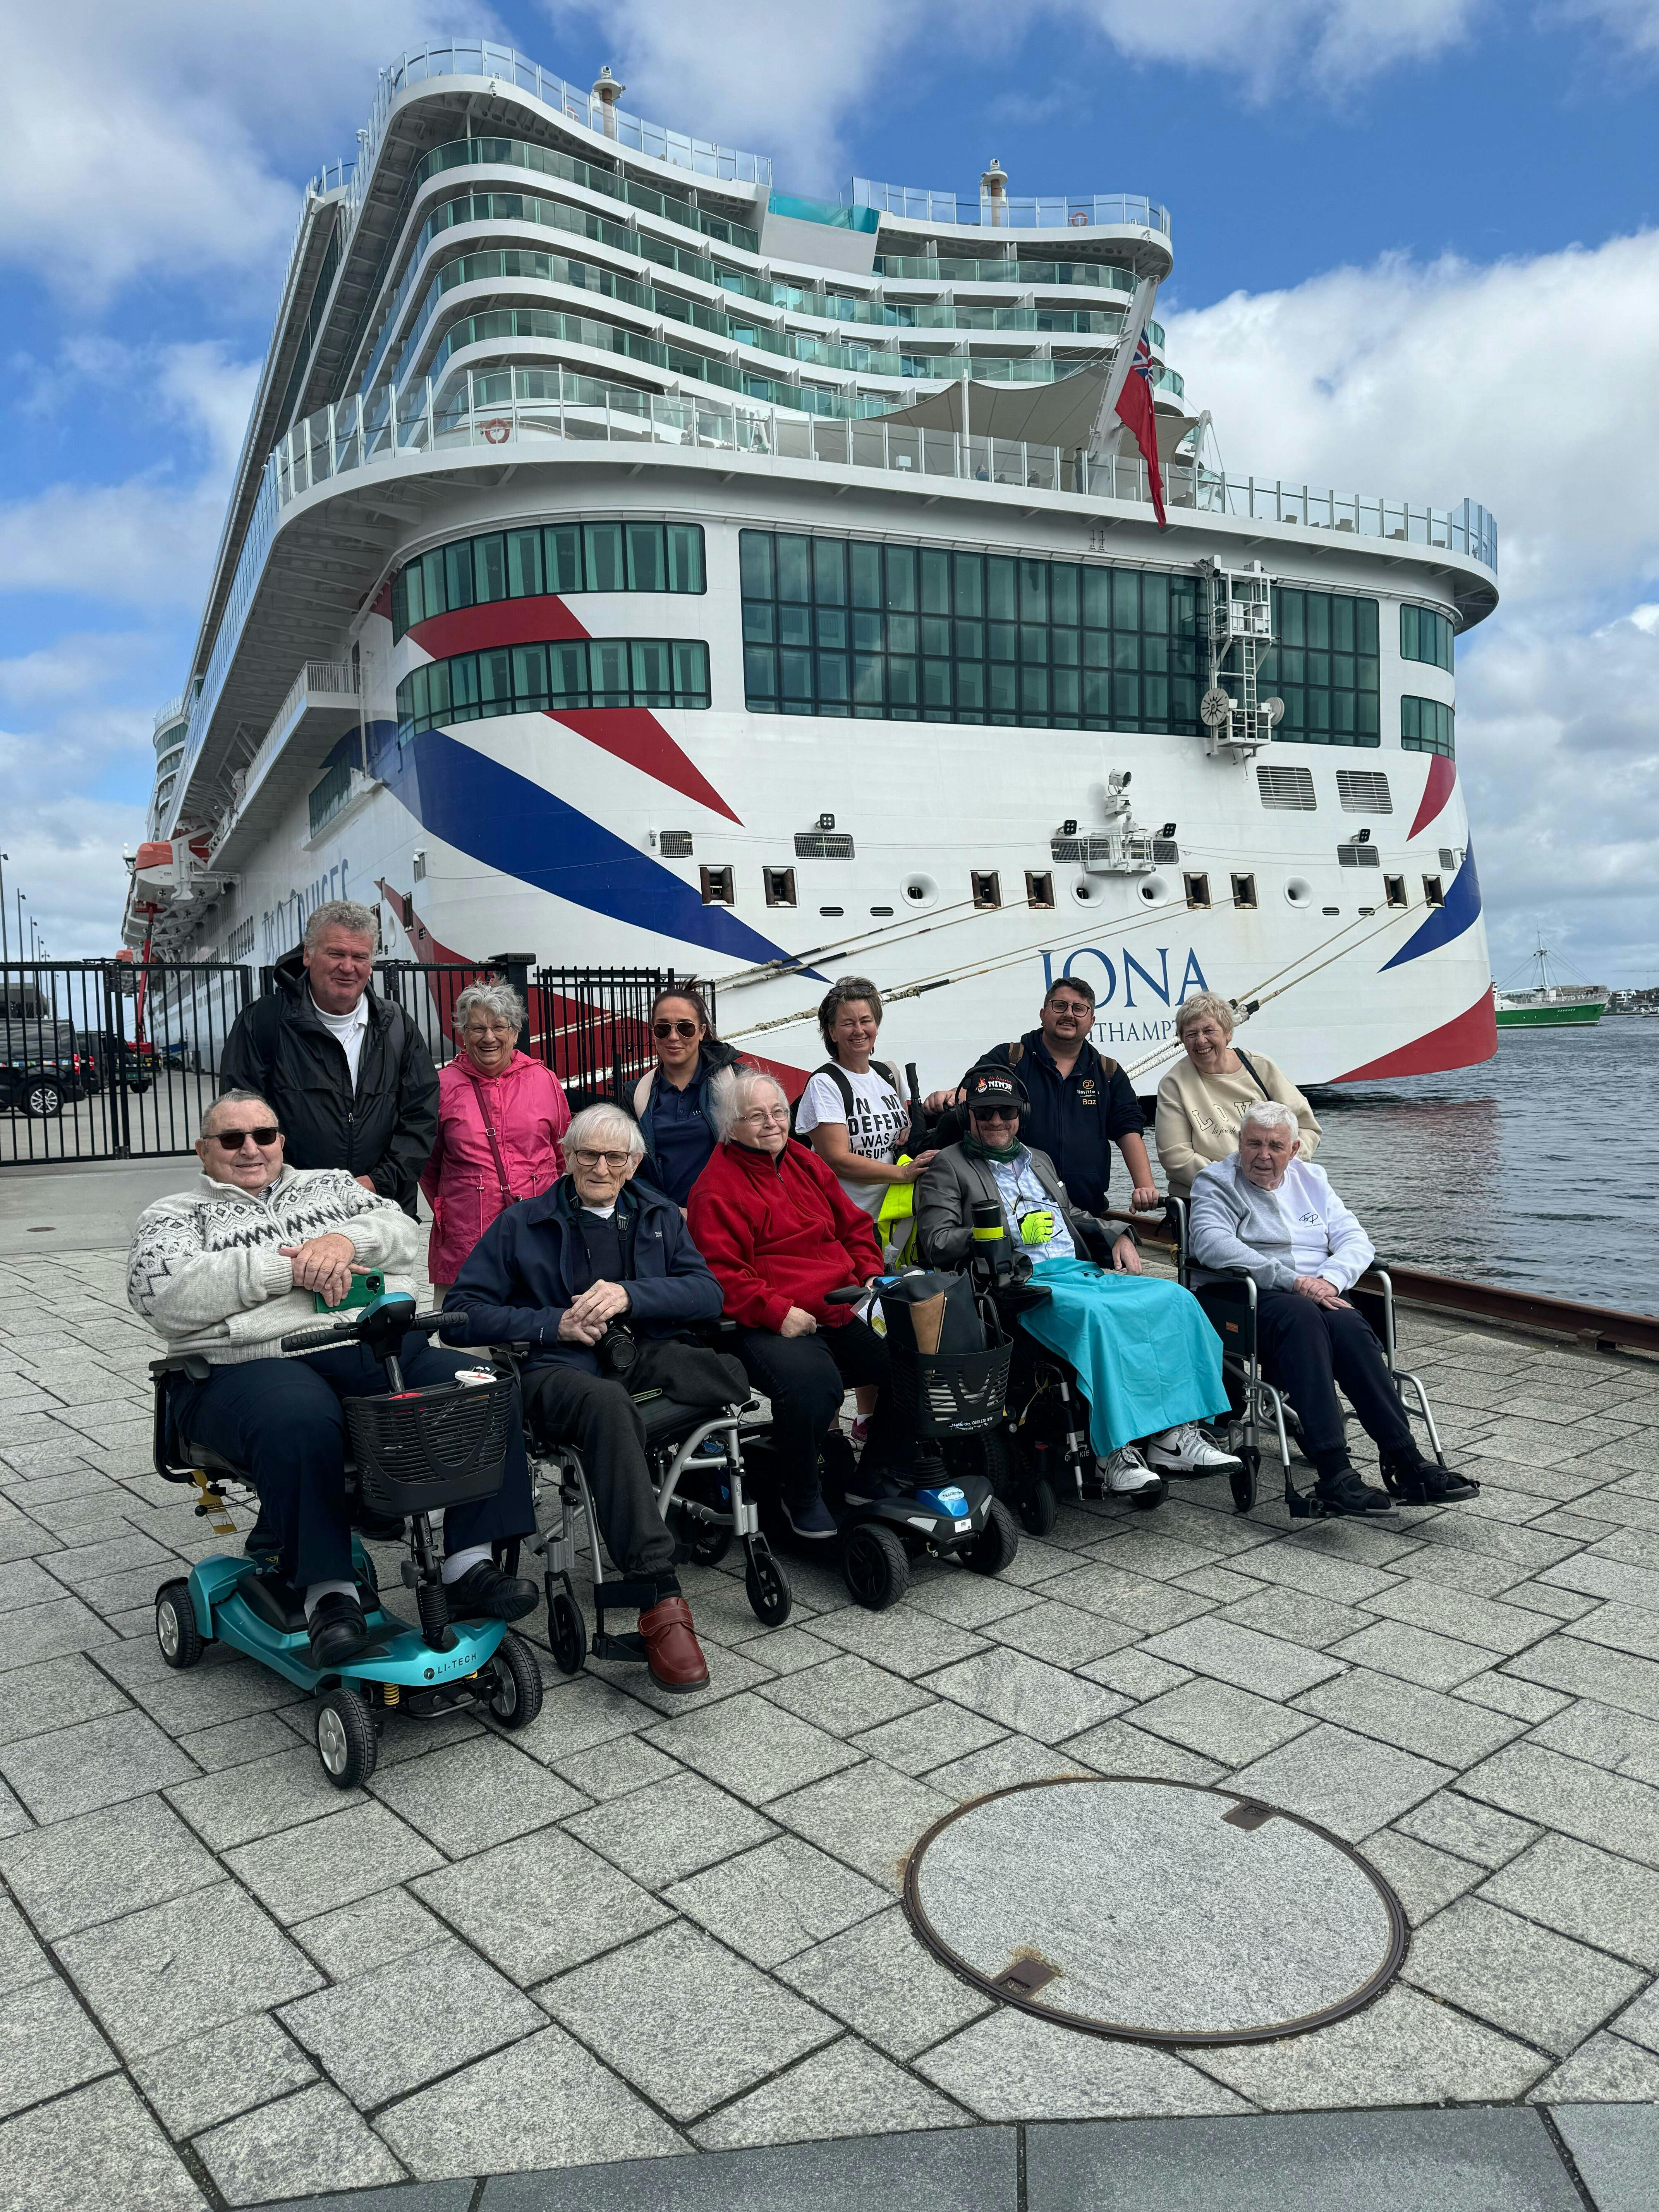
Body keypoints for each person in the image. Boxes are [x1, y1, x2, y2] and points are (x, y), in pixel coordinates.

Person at [127, 1089, 537, 1669]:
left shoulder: (331, 1185)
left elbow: (400, 1234)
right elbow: (166, 1296)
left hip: (372, 1343)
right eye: (232, 1139)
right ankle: (330, 1597)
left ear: (281, 1141)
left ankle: (467, 1563)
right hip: (248, 1366)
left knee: (484, 1384)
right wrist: (288, 1270)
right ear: (203, 1150)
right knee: (300, 1419)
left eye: (263, 1135)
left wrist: (343, 1242)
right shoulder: (173, 1216)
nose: (251, 1149)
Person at [443, 1104, 721, 1693]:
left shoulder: (659, 1213)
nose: (599, 1165)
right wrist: (553, 1324)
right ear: (565, 1158)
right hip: (556, 1366)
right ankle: (658, 1594)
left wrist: (630, 1296)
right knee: (607, 1408)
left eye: (614, 1156)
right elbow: (460, 1316)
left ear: (634, 1164)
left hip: (639, 1353)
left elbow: (706, 1293)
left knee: (724, 1373)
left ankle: (692, 1506)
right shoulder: (524, 1222)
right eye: (587, 1154)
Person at [918, 1065, 1238, 1496]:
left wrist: (1119, 1234)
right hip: (1018, 1285)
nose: (997, 1121)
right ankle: (1114, 1454)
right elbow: (936, 1243)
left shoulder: (1040, 1159)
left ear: (1021, 1114)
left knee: (1176, 1299)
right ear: (970, 1114)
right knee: (1099, 1317)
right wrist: (1001, 1231)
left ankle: (1174, 1434)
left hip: (1076, 1272)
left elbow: (1071, 1217)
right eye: (986, 1112)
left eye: (1007, 1112)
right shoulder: (948, 1166)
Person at [1187, 1100, 1477, 1513]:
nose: (1263, 1155)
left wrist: (1329, 1280)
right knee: (1304, 1317)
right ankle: (1335, 1472)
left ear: (1295, 1148)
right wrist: (1294, 1281)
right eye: (1254, 1144)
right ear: (1240, 1142)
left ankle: (1406, 1461)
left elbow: (1356, 1241)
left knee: (1350, 1327)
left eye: (1275, 1146)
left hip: (1317, 1292)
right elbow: (1212, 1244)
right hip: (1248, 1294)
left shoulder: (1313, 1178)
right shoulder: (1216, 1182)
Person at [688, 1071, 907, 1539]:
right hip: (768, 1320)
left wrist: (867, 1271)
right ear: (730, 1126)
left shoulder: (804, 1161)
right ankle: (800, 1494)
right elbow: (720, 1274)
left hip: (840, 1304)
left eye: (779, 1112)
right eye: (756, 1116)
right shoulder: (715, 1188)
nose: (772, 1124)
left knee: (911, 1366)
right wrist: (776, 1311)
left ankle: (869, 1480)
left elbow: (854, 1225)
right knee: (813, 1388)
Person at [218, 900, 439, 1216]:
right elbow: (239, 1121)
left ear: (371, 963)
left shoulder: (396, 1026)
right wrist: (295, 1192)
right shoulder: (263, 1023)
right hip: (291, 1213)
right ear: (308, 955)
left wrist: (378, 1182)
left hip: (381, 1210)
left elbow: (421, 1117)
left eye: (360, 957)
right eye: (336, 954)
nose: (348, 967)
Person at [926, 976, 1156, 1216]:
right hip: (1015, 1208)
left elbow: (1128, 1130)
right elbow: (973, 1091)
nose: (1069, 1014)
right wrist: (951, 1095)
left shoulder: (1109, 1073)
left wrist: (1145, 1186)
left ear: (1091, 1022)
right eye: (1060, 1006)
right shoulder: (1010, 1059)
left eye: (1079, 1009)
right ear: (1043, 1013)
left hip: (1087, 1210)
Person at [421, 982, 570, 1293]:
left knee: (540, 1331)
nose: (489, 1037)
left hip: (537, 1231)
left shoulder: (544, 1080)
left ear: (515, 1033)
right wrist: (458, 1203)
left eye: (499, 1027)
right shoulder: (442, 1087)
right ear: (463, 1034)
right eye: (477, 1028)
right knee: (464, 1336)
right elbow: (427, 1165)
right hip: (466, 1237)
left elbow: (563, 1155)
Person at [1156, 992, 1321, 1206]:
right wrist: (1240, 1180)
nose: (1201, 1041)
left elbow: (1307, 1128)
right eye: (1191, 1034)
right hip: (1209, 1197)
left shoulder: (1260, 1068)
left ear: (1228, 1033)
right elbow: (1176, 1157)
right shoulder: (1174, 1084)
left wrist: (1278, 1167)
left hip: (1273, 1193)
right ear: (1182, 1039)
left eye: (1209, 1030)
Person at [794, 975, 936, 1217]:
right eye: (848, 1023)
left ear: (876, 1026)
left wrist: (910, 1128)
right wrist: (904, 1173)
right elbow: (836, 1159)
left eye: (866, 1021)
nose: (859, 1030)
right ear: (832, 1032)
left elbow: (901, 1128)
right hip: (851, 1221)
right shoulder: (825, 1084)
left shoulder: (888, 1074)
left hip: (896, 1214)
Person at [627, 985, 745, 1210]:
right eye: (663, 1029)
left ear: (702, 1032)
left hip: (729, 1216)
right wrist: (672, 1213)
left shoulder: (737, 1082)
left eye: (685, 1028)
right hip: (664, 1224)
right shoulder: (635, 1095)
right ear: (653, 1032)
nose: (673, 1037)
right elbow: (629, 1168)